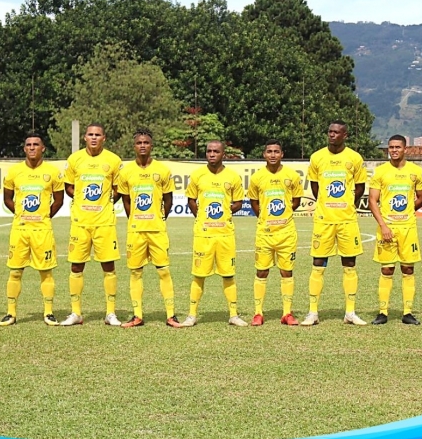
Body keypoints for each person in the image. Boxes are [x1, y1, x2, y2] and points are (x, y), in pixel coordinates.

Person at [300, 120, 368, 326]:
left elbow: (359, 187)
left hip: (347, 220)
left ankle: (350, 312)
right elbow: (315, 187)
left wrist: (347, 204)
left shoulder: (354, 158)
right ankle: (313, 312)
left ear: (345, 135)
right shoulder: (317, 157)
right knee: (318, 263)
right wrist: (326, 205)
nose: (332, 135)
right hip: (324, 220)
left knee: (349, 264)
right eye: (330, 131)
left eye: (337, 132)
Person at [0, 133, 64, 326]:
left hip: (42, 231)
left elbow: (59, 200)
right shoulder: (14, 172)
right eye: (29, 145)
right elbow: (7, 198)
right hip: (20, 230)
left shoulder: (52, 172)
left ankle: (49, 313)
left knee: (46, 272)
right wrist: (20, 213)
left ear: (43, 148)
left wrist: (44, 217)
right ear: (24, 148)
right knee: (15, 272)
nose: (32, 147)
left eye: (36, 144)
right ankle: (11, 313)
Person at [177, 141, 247, 327]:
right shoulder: (197, 175)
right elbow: (191, 200)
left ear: (223, 154)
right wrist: (201, 217)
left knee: (228, 275)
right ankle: (191, 315)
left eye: (216, 151)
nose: (212, 154)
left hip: (225, 235)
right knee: (198, 275)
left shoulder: (233, 177)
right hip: (203, 235)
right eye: (209, 151)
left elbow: (238, 202)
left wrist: (224, 213)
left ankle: (233, 315)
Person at [117, 128, 180, 328]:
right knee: (135, 273)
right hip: (136, 231)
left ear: (151, 146)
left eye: (146, 142)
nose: (142, 146)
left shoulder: (162, 170)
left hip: (157, 230)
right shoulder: (126, 172)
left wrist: (160, 218)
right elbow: (126, 200)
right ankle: (137, 315)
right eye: (139, 143)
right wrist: (135, 219)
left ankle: (171, 315)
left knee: (164, 271)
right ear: (134, 146)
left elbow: (168, 199)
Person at [61, 123, 122, 326]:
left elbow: (118, 189)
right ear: (84, 137)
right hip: (80, 222)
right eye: (90, 134)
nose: (94, 137)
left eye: (97, 135)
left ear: (104, 138)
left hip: (104, 223)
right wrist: (81, 199)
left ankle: (110, 313)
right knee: (76, 266)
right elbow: (69, 187)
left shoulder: (113, 160)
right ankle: (76, 313)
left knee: (109, 266)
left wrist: (106, 202)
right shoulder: (74, 159)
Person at [368, 134, 422, 325]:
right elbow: (372, 201)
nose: (394, 150)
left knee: (408, 268)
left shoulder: (415, 171)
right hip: (387, 228)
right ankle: (383, 312)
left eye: (397, 147)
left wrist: (408, 210)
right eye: (391, 147)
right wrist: (383, 225)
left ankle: (407, 312)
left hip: (408, 228)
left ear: (405, 149)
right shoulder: (380, 172)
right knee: (387, 269)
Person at [247, 140, 303, 325]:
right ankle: (258, 313)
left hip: (286, 233)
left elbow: (296, 201)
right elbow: (254, 202)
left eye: (276, 151)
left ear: (282, 154)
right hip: (265, 234)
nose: (272, 154)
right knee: (261, 271)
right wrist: (266, 218)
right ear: (264, 154)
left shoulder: (292, 175)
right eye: (269, 151)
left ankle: (287, 313)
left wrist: (283, 216)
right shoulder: (257, 177)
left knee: (286, 272)